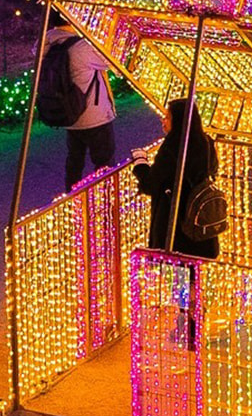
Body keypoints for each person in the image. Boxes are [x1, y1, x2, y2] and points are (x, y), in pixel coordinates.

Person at [133, 96, 220, 259]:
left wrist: (140, 163)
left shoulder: (173, 147)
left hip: (176, 225)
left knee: (178, 270)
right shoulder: (205, 142)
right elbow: (213, 170)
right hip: (200, 221)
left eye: (167, 117)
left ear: (179, 121)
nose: (163, 121)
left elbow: (150, 185)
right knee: (194, 270)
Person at [45, 21, 117, 190]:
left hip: (70, 114)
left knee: (74, 163)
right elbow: (111, 62)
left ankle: (70, 199)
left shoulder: (46, 43)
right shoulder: (82, 47)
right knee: (105, 165)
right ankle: (105, 202)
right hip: (95, 116)